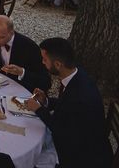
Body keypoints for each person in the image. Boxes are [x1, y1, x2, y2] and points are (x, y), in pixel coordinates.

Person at [23, 38, 112, 168]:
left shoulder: (81, 95)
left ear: (58, 64)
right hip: (77, 136)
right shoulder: (77, 75)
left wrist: (38, 109)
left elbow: (61, 130)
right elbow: (66, 106)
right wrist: (46, 101)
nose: (42, 62)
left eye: (45, 59)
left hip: (81, 155)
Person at [0, 15, 50, 93]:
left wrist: (22, 72)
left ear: (11, 32)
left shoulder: (30, 47)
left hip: (23, 88)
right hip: (1, 83)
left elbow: (46, 81)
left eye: (1, 37)